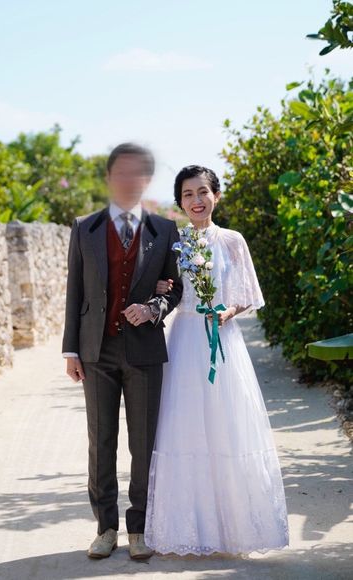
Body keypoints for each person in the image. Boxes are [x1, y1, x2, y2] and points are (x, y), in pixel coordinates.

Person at [145, 165, 289, 555]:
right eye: (188, 194)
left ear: (216, 196)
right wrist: (161, 285)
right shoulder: (174, 242)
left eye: (203, 192)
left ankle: (236, 530)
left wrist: (229, 312)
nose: (196, 200)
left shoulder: (232, 240)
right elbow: (166, 288)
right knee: (186, 426)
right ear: (180, 202)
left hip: (223, 338)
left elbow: (247, 293)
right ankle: (191, 531)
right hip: (185, 339)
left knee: (228, 425)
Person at [62, 143, 183, 560]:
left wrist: (152, 308)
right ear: (109, 177)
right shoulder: (84, 227)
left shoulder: (165, 230)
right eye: (121, 172)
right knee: (101, 442)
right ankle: (106, 527)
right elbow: (74, 291)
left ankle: (139, 527)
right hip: (96, 351)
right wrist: (71, 350)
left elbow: (176, 288)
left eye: (137, 173)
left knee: (143, 443)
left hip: (144, 349)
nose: (129, 180)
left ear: (146, 180)